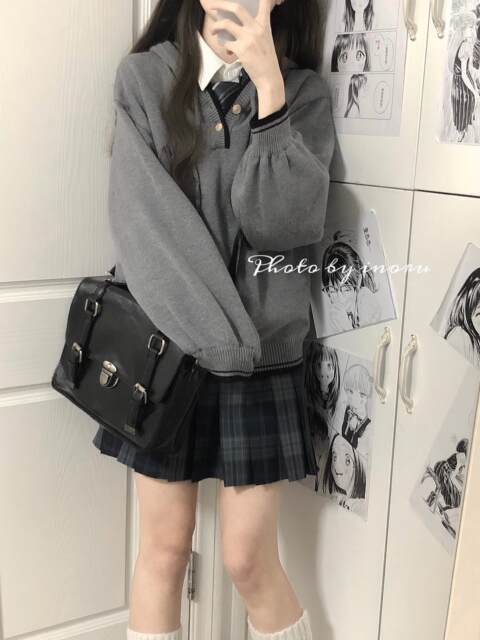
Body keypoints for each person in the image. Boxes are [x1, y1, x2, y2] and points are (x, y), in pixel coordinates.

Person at [91, 0, 335, 638]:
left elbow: (281, 230)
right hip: (167, 352)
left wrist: (271, 95)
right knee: (165, 551)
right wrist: (223, 341)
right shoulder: (144, 79)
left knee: (249, 561)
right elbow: (148, 234)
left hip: (262, 360)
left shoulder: (303, 94)